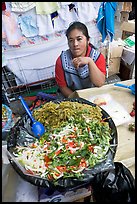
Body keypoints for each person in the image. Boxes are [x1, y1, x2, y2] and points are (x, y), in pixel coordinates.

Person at [55, 21, 106, 98]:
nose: (75, 44)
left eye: (79, 39)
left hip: (93, 95)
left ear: (88, 40)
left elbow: (99, 83)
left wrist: (90, 61)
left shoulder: (97, 57)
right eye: (71, 40)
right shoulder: (61, 61)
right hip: (72, 97)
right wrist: (78, 101)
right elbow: (63, 87)